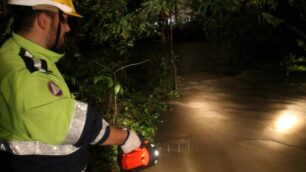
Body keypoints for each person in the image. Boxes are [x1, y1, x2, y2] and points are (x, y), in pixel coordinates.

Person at [0, 0, 141, 171]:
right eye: (64, 20)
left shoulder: (16, 52)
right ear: (43, 20)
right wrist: (125, 138)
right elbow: (76, 125)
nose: (68, 28)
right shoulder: (25, 71)